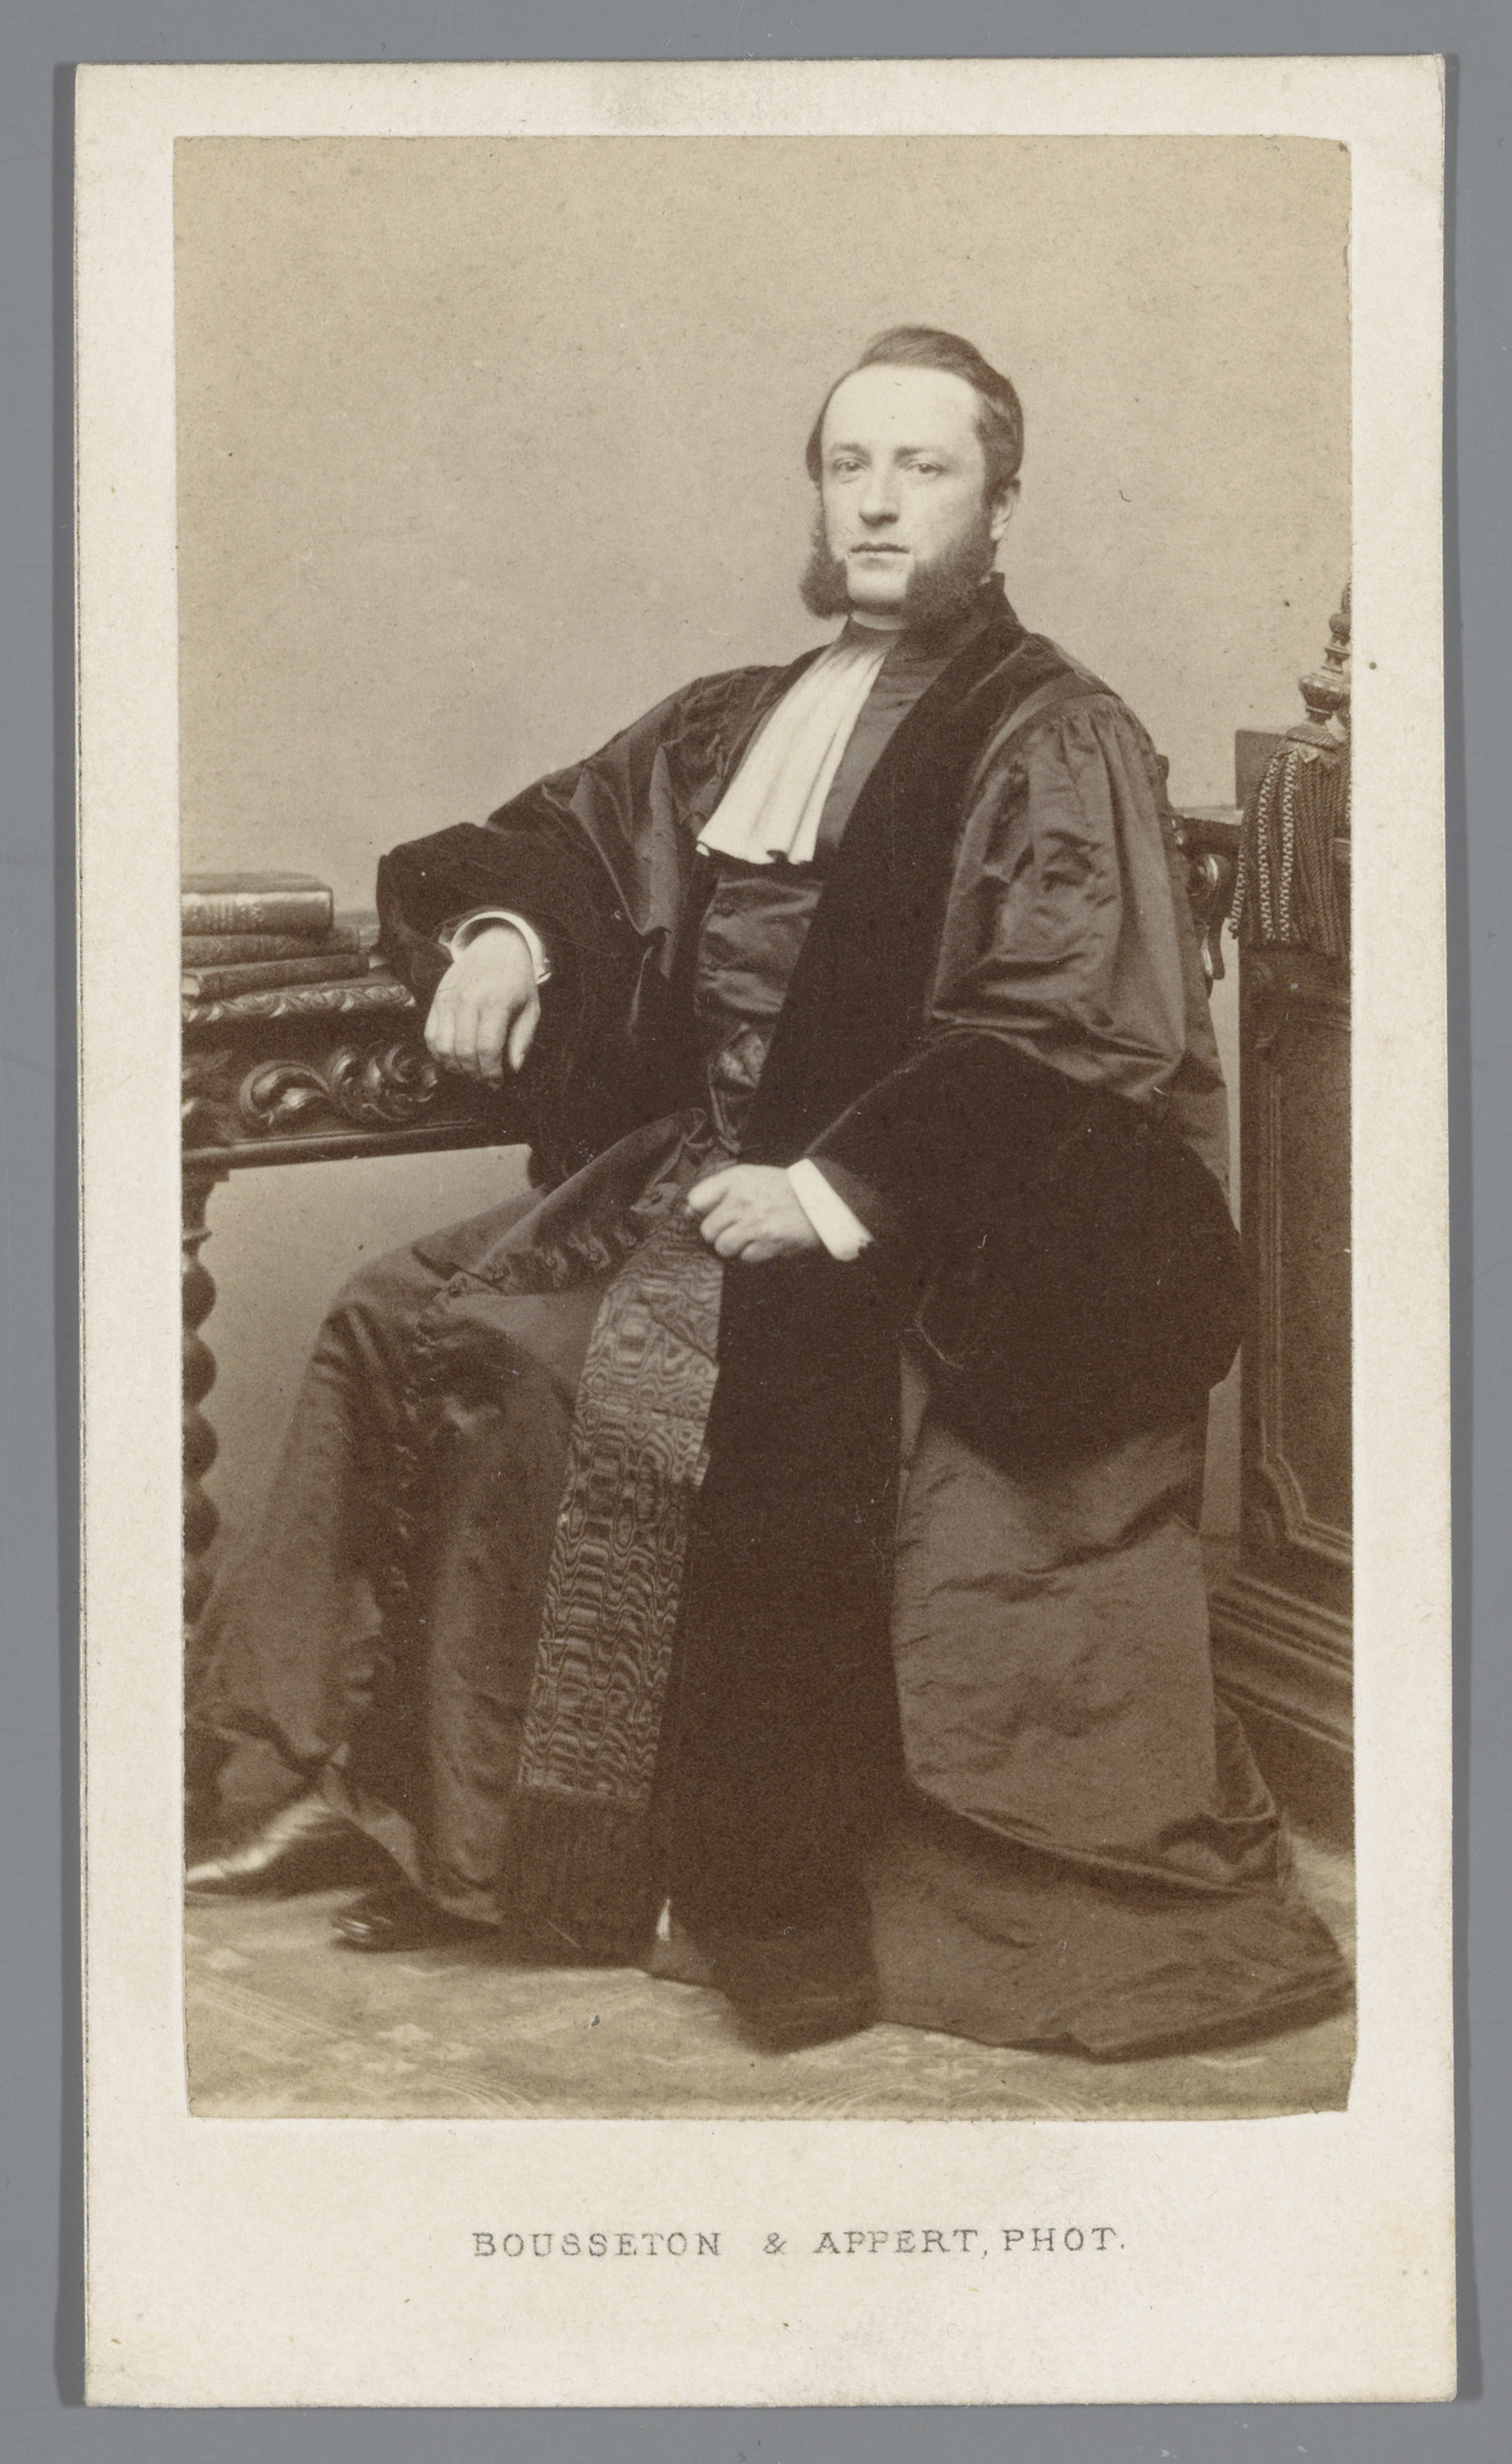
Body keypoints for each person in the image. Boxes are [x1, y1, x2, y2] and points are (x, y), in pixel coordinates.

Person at [187, 326, 1350, 2056]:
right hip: (697, 1172)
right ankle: (346, 1790)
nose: (876, 502)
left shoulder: (1054, 733)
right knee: (393, 1309)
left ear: (999, 505)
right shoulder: (739, 716)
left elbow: (1070, 1024)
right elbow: (573, 839)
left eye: (923, 469)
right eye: (847, 466)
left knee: (548, 1358)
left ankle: (565, 1866)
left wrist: (837, 1189)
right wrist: (506, 934)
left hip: (923, 1220)